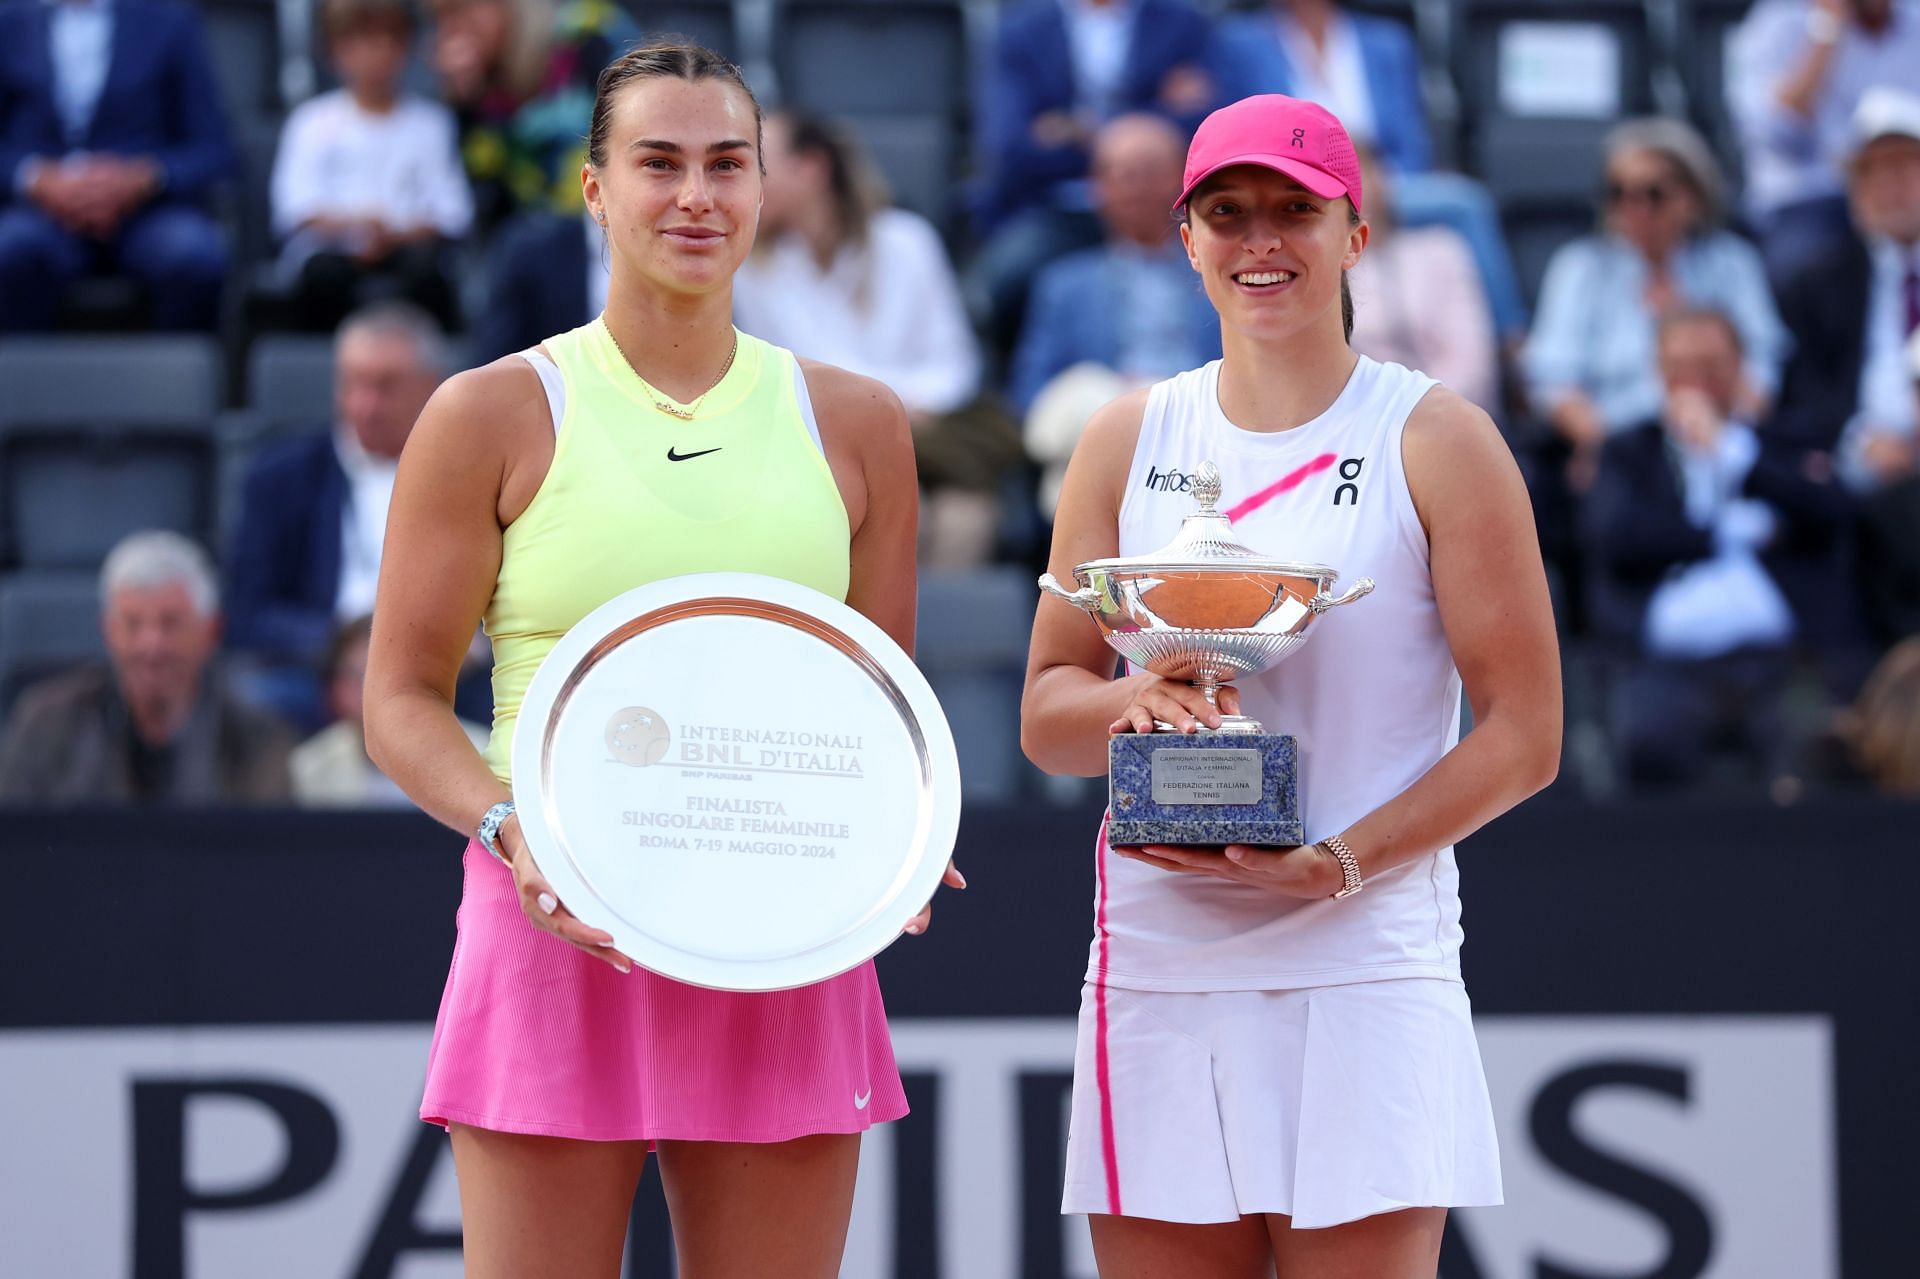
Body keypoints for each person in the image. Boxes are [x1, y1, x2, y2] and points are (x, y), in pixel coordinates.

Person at [360, 42, 963, 1277]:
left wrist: (894, 833)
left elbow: (878, 706)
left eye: (726, 164)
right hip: (554, 921)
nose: (697, 196)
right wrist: (509, 827)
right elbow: (400, 703)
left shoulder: (858, 424)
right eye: (659, 164)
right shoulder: (488, 414)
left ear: (763, 187)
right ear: (595, 190)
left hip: (783, 932)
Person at [1021, 95, 1560, 1274]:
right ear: (1187, 239)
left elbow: (1526, 734)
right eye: (1229, 213)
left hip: (1364, 953)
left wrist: (1339, 864)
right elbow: (1048, 716)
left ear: (1355, 235)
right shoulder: (1124, 438)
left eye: (1294, 212)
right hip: (1160, 960)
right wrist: (1137, 698)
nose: (1261, 240)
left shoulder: (1439, 437)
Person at [735, 111, 1019, 568]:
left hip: (924, 430)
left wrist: (897, 407)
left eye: (757, 164)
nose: (744, 182)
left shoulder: (907, 240)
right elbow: (781, 373)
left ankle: (934, 640)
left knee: (967, 518)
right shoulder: (752, 265)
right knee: (882, 506)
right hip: (828, 443)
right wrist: (878, 408)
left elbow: (953, 363)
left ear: (811, 167)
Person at [1582, 309, 1850, 789]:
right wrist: (1723, 532)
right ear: (1659, 373)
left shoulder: (1783, 441)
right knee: (1647, 743)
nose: (1697, 383)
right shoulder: (1630, 451)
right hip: (1663, 665)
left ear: (1741, 367)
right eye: (1682, 367)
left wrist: (1729, 449)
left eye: (1712, 366)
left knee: (1811, 748)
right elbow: (1618, 537)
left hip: (1784, 660)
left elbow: (1830, 513)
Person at [1213, 0, 1528, 341]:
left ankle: (1509, 341)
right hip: (1294, 181)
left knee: (1465, 202)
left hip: (1382, 176)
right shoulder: (1240, 42)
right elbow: (1248, 132)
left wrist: (1373, 181)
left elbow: (1410, 140)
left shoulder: (1386, 41)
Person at [1522, 117, 1787, 497]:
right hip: (1617, 447)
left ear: (1693, 197)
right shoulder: (1580, 267)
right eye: (1618, 193)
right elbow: (1552, 380)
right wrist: (1612, 451)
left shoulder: (1732, 263)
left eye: (1653, 193)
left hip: (1720, 444)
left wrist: (1720, 440)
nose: (1635, 208)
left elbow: (1762, 367)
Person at [226, 302, 452, 727]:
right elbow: (249, 612)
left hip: (443, 667)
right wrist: (342, 654)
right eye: (353, 384)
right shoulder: (281, 477)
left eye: (386, 386)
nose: (365, 405)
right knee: (258, 699)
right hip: (317, 668)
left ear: (432, 386)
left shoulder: (470, 475)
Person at [970, 0, 1222, 354]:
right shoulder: (1022, 31)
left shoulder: (1182, 23)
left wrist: (1078, 132)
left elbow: (1206, 126)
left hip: (1166, 203)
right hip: (1058, 206)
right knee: (1006, 277)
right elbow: (1011, 149)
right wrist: (1150, 121)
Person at [1014, 113, 1221, 516]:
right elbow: (1029, 390)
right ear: (1097, 186)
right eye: (1122, 174)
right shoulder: (1065, 285)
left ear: (1182, 180)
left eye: (1149, 172)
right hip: (1104, 426)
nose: (1136, 187)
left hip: (1200, 426)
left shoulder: (1223, 273)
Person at [1770, 88, 1920, 641]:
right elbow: (1800, 402)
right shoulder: (1818, 284)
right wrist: (1861, 442)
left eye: (1905, 167)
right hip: (1860, 478)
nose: (1891, 187)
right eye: (1873, 173)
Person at [0, 531, 293, 805]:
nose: (151, 646)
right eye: (132, 624)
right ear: (108, 631)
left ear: (211, 632)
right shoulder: (47, 725)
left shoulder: (258, 740)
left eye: (171, 623)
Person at [0, 0, 235, 331]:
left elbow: (215, 149)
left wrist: (144, 178)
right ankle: (19, 382)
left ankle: (172, 380)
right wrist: (36, 178)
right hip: (39, 214)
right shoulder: (7, 21)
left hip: (148, 214)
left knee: (192, 256)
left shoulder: (169, 20)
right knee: (9, 251)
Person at [271, 0, 472, 332]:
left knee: (429, 276)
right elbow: (296, 208)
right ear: (334, 49)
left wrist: (392, 235)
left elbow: (451, 212)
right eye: (360, 40)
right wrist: (357, 228)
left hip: (406, 251)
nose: (375, 54)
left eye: (388, 38)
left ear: (406, 46)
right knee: (322, 278)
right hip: (331, 253)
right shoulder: (310, 121)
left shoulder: (431, 124)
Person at [1729, 0, 1920, 287]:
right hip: (1812, 200)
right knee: (1802, 266)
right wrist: (1827, 31)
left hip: (1911, 182)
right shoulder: (1777, 23)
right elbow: (1776, 133)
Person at [428, 0, 638, 233]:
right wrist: (464, 109)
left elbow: (642, 129)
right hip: (542, 246)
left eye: (461, 9)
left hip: (614, 227)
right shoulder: (482, 95)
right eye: (439, 18)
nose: (452, 30)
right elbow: (486, 212)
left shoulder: (588, 32)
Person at [1346, 147, 1497, 413]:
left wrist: (1415, 415)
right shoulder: (1325, 269)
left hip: (1448, 417)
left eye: (1363, 170)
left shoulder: (1440, 249)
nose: (1354, 184)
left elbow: (1471, 362)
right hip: (1359, 425)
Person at [291, 615, 487, 807]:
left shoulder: (483, 754)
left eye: (390, 677)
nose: (373, 691)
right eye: (359, 676)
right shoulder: (311, 765)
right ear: (334, 689)